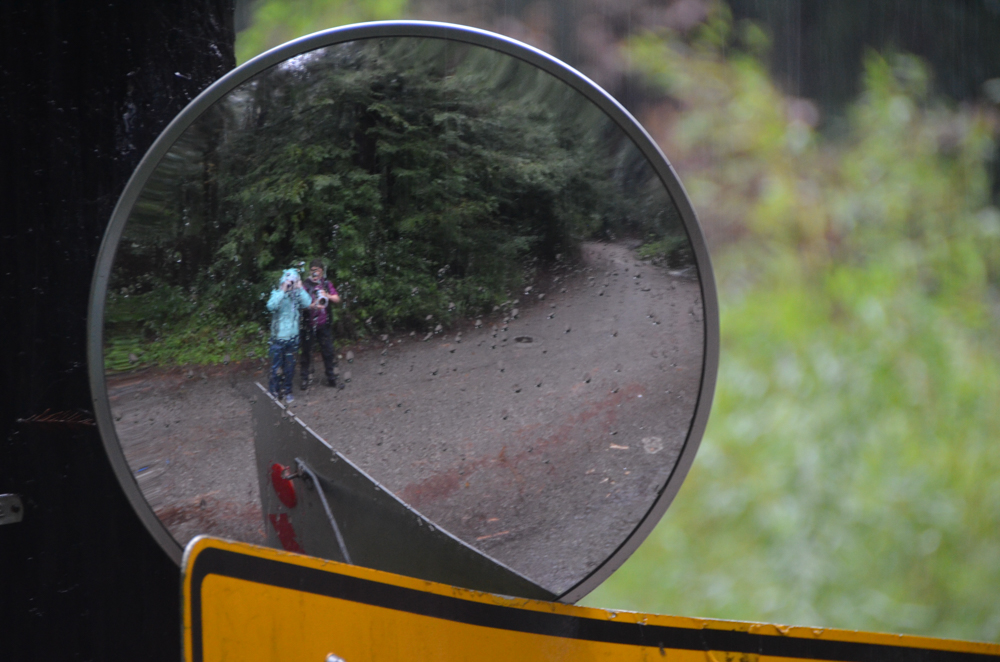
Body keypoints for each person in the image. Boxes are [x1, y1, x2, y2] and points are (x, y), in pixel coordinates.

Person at [266, 268, 312, 403]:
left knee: (290, 367)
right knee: (275, 367)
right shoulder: (277, 293)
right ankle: (274, 391)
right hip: (278, 339)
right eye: (289, 281)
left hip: (293, 337)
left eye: (293, 281)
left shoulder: (297, 296)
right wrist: (283, 290)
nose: (291, 285)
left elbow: (308, 303)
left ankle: (287, 390)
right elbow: (271, 306)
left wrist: (300, 288)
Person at [300, 258, 343, 389]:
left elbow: (337, 299)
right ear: (309, 271)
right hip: (308, 324)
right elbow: (300, 304)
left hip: (323, 324)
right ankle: (304, 379)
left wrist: (327, 295)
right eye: (313, 271)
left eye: (317, 271)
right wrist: (312, 306)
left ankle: (332, 378)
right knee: (306, 352)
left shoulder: (326, 284)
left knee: (328, 351)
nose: (315, 274)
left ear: (322, 271)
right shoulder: (305, 285)